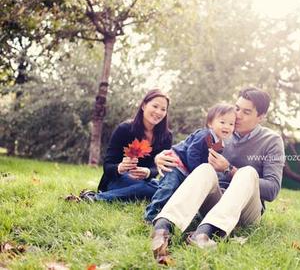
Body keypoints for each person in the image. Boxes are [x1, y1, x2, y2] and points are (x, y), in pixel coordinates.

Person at [150, 87, 285, 259]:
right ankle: (162, 228)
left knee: (247, 172)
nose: (237, 115)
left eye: (246, 112)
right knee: (205, 169)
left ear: (261, 117)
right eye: (237, 108)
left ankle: (204, 233)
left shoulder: (272, 141)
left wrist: (229, 169)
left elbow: (272, 190)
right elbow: (183, 149)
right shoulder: (220, 129)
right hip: (215, 201)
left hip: (246, 211)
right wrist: (160, 157)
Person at [144, 103, 236, 222]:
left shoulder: (220, 144)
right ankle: (150, 215)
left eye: (231, 124)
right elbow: (192, 153)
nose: (227, 127)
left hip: (185, 168)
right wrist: (196, 173)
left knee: (180, 192)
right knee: (168, 187)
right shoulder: (205, 135)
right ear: (210, 123)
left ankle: (173, 213)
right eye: (222, 122)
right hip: (176, 162)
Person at [80, 89, 172, 202]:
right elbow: (107, 166)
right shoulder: (124, 129)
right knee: (154, 189)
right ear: (143, 106)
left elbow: (159, 168)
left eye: (163, 109)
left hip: (145, 181)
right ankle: (98, 198)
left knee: (162, 188)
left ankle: (96, 197)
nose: (158, 112)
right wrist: (119, 168)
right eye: (155, 106)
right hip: (116, 180)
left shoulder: (166, 136)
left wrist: (148, 172)